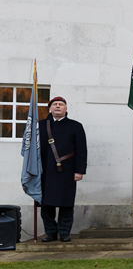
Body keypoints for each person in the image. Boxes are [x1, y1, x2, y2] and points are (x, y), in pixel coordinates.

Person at [37, 96, 87, 243]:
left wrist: (79, 171)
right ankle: (50, 233)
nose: (57, 106)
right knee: (46, 205)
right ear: (50, 108)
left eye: (61, 104)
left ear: (66, 108)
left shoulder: (75, 126)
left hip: (67, 171)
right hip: (45, 171)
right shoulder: (40, 126)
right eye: (54, 104)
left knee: (66, 204)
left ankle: (64, 233)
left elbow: (81, 150)